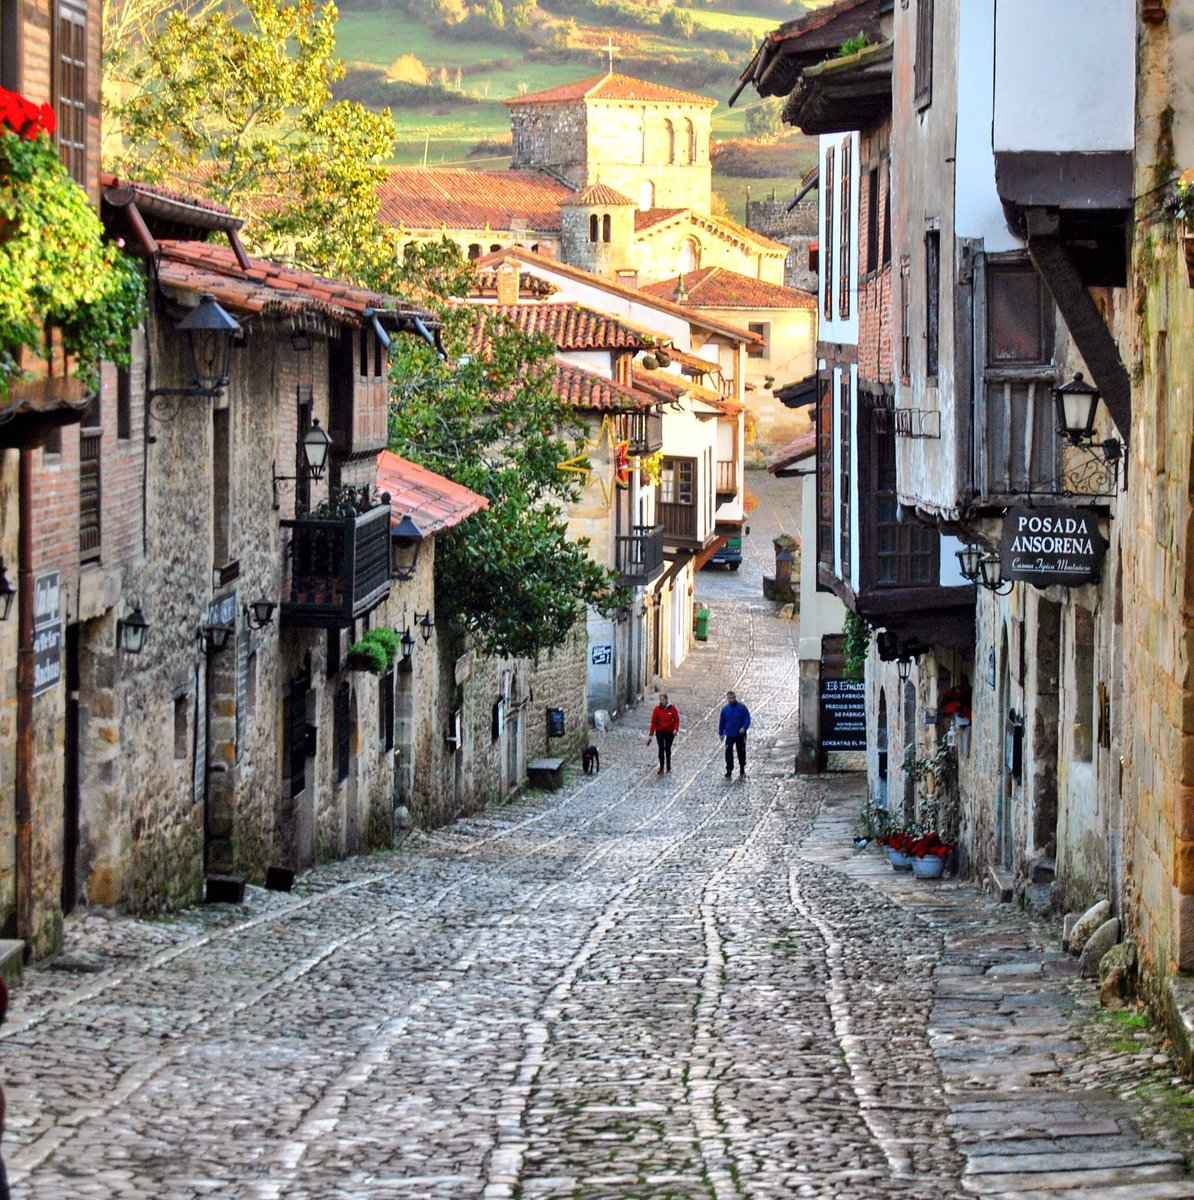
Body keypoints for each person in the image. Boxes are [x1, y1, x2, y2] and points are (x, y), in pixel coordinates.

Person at [719, 690, 751, 779]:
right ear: (727, 699)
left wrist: (744, 728)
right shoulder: (725, 710)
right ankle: (729, 769)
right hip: (729, 734)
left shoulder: (742, 708)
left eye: (733, 698)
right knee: (728, 751)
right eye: (730, 698)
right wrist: (721, 733)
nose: (732, 700)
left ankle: (742, 767)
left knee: (741, 751)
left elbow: (747, 719)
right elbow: (722, 722)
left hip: (740, 735)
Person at [648, 693, 680, 773]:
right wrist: (651, 734)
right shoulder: (657, 709)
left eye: (663, 699)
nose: (661, 701)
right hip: (660, 731)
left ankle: (668, 765)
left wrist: (675, 729)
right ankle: (661, 767)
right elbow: (653, 722)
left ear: (666, 700)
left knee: (668, 749)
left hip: (669, 731)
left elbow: (676, 720)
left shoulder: (672, 708)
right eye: (660, 700)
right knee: (661, 748)